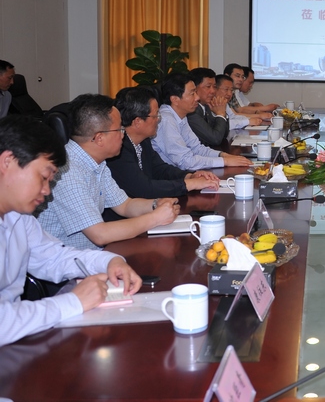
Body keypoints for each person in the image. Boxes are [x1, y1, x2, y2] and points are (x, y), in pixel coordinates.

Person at [0, 116, 142, 346]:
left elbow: (53, 257)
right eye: (43, 177)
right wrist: (73, 302)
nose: (47, 191)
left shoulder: (18, 216)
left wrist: (109, 261)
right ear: (7, 161)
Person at [37, 94, 180, 250]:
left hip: (93, 255)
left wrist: (156, 204)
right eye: (120, 129)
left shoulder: (97, 162)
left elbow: (125, 205)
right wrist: (155, 218)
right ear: (99, 138)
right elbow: (100, 235)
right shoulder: (67, 172)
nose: (123, 135)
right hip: (68, 261)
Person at [107, 86, 219, 200]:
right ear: (137, 121)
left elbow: (160, 169)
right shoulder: (118, 149)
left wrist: (189, 176)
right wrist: (189, 184)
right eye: (156, 115)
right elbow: (144, 188)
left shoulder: (143, 141)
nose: (159, 119)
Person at [152, 72, 252, 170]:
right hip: (169, 177)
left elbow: (197, 148)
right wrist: (224, 161)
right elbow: (185, 161)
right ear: (175, 99)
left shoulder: (180, 116)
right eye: (192, 93)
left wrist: (223, 155)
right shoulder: (166, 120)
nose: (197, 97)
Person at [186, 68, 235, 144]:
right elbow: (215, 139)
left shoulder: (206, 106)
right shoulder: (192, 111)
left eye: (214, 87)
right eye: (208, 86)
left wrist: (222, 114)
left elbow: (223, 134)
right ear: (194, 88)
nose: (213, 91)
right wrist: (220, 114)